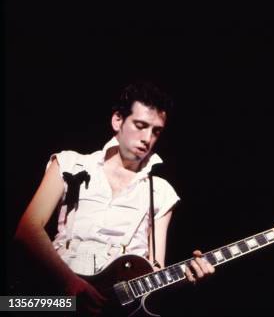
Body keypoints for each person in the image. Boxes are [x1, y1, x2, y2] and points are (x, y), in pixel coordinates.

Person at [14, 82, 214, 314]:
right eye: (140, 125)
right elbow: (27, 230)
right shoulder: (69, 163)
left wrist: (187, 278)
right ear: (117, 120)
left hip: (113, 307)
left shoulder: (161, 191)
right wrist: (69, 282)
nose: (147, 138)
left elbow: (154, 272)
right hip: (56, 296)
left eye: (156, 131)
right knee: (10, 305)